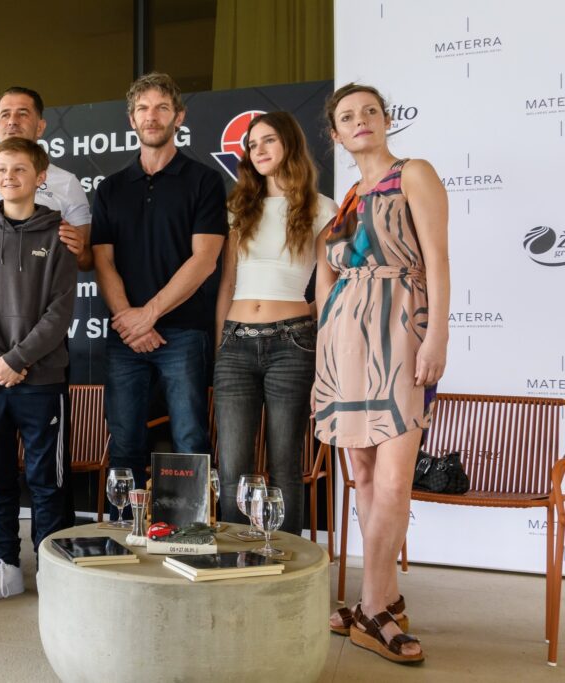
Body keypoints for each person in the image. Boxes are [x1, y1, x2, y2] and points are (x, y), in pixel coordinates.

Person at [316, 83, 449, 664]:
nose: (361, 120)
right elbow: (326, 265)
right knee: (365, 478)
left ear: (387, 119)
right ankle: (383, 602)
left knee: (395, 479)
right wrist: (327, 326)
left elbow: (438, 259)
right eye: (348, 116)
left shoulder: (413, 173)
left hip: (401, 330)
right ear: (336, 134)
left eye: (370, 111)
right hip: (345, 344)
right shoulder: (347, 199)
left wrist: (436, 334)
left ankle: (372, 609)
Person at [0, 86, 92, 587]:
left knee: (46, 483)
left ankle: (51, 573)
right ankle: (3, 567)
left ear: (39, 176)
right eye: (2, 170)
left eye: (20, 170)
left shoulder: (61, 238)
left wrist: (18, 359)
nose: (9, 177)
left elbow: (59, 312)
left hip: (40, 379)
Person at [91, 72, 226, 492]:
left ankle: (190, 527)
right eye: (143, 109)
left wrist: (147, 315)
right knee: (124, 443)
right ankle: (124, 528)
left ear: (178, 116)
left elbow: (204, 260)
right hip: (125, 337)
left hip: (184, 331)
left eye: (162, 108)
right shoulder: (111, 188)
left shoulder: (204, 180)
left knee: (189, 440)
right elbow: (102, 261)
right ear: (131, 119)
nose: (152, 116)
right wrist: (129, 320)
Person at [213, 112, 337, 536]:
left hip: (293, 343)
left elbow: (327, 287)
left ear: (289, 143)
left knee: (285, 462)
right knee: (233, 465)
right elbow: (227, 283)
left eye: (268, 140)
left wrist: (325, 351)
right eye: (252, 144)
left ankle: (286, 559)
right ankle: (233, 557)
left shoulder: (322, 208)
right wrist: (220, 344)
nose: (259, 150)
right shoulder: (238, 207)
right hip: (235, 343)